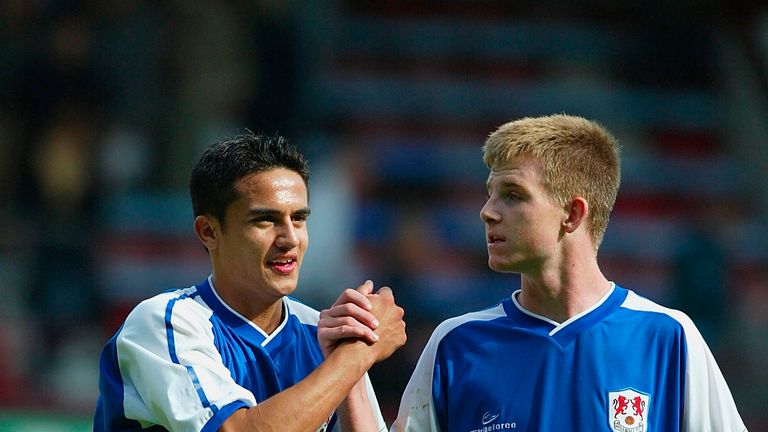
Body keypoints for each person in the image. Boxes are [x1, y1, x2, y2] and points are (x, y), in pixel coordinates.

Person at [322, 114, 747, 431]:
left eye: (513, 195)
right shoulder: (457, 344)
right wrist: (351, 372)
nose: (487, 212)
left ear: (572, 214)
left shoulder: (668, 337)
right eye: (489, 194)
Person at [94, 131, 406, 431]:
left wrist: (352, 360)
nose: (289, 239)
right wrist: (356, 358)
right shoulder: (164, 323)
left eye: (298, 218)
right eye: (265, 220)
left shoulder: (325, 334)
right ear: (209, 232)